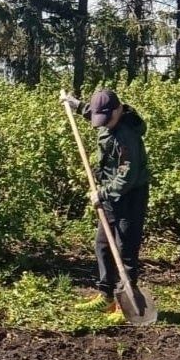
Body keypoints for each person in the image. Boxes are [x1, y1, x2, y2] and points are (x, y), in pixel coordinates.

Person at [62, 88, 151, 312]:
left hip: (129, 196)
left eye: (106, 118)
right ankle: (107, 295)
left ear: (118, 110)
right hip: (111, 194)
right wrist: (76, 104)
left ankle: (125, 303)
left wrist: (101, 194)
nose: (103, 123)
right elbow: (93, 111)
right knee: (103, 244)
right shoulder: (107, 118)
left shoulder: (126, 135)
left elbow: (127, 176)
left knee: (125, 249)